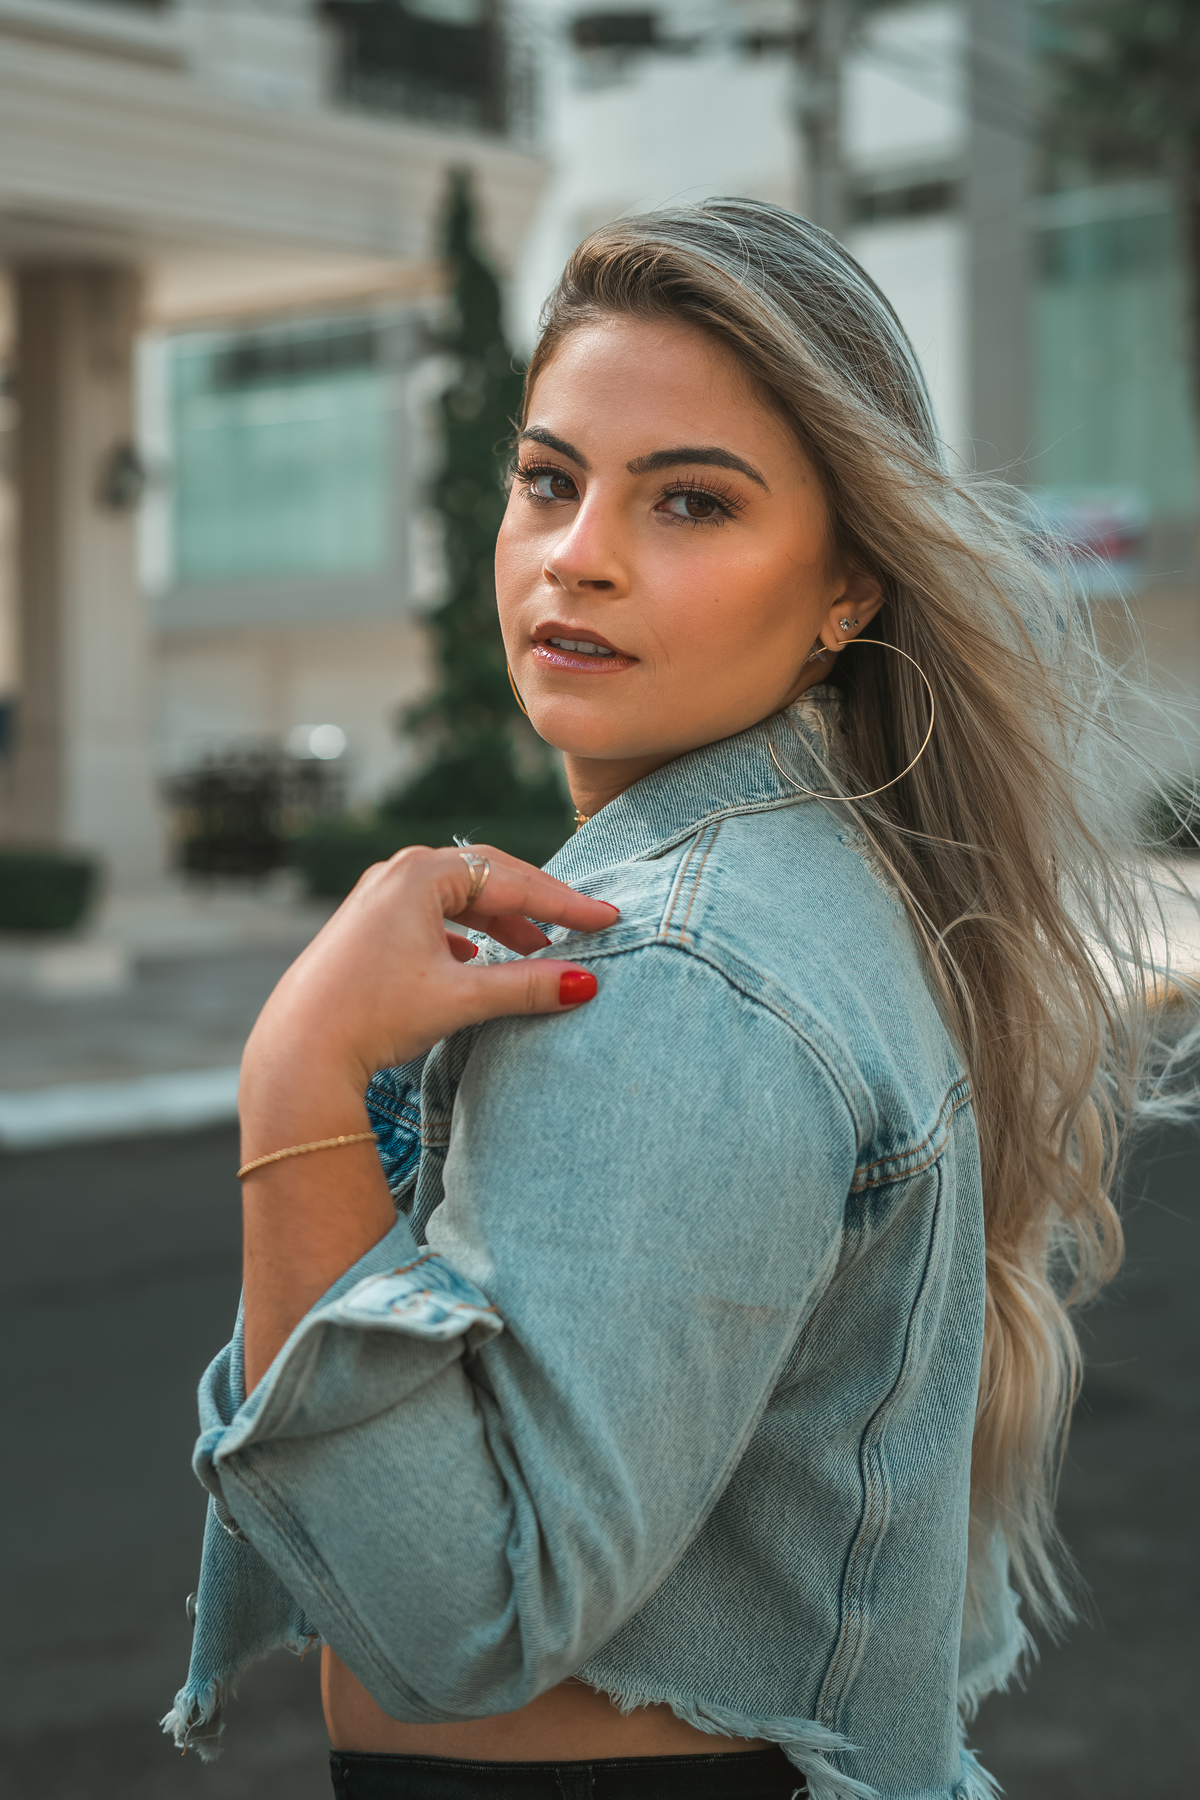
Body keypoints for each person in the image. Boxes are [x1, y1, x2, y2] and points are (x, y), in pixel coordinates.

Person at [165, 201, 1185, 1800]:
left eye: (691, 501)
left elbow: (463, 1620)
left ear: (848, 585)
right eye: (548, 480)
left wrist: (296, 1078)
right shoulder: (818, 883)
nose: (578, 553)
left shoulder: (686, 965)